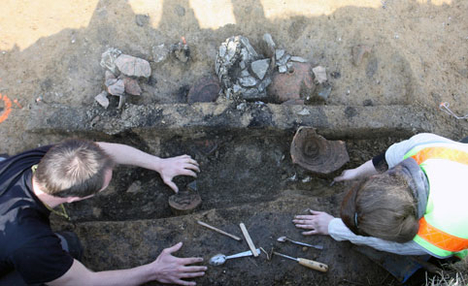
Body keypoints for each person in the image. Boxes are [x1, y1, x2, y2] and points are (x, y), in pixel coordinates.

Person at [0, 139, 206, 286]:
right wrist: (156, 270)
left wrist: (160, 164)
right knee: (67, 246)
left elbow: (102, 150)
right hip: (16, 250)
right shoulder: (33, 245)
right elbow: (86, 281)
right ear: (74, 199)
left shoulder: (39, 161)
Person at [293, 133, 468, 259]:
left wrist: (331, 226)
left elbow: (386, 244)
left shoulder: (433, 238)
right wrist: (355, 172)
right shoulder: (423, 148)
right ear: (375, 179)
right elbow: (386, 158)